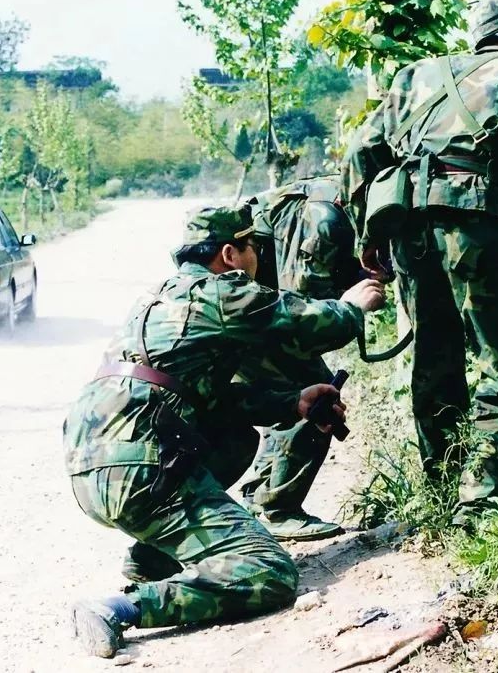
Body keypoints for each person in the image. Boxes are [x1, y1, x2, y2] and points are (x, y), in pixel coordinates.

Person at [62, 204, 385, 657]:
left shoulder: (160, 298)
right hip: (141, 469)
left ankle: (154, 558)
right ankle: (122, 607)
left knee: (235, 434)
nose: (258, 259)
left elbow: (208, 401)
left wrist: (292, 403)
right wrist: (352, 306)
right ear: (231, 253)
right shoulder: (223, 293)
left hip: (95, 466)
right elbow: (314, 325)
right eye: (254, 247)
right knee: (269, 573)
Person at [340, 0, 498, 525]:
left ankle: (440, 481)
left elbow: (362, 152)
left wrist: (369, 234)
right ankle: (482, 501)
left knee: (435, 354)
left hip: (408, 230)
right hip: (476, 227)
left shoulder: (414, 75)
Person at [236, 176, 362, 541]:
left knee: (288, 390)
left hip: (243, 308)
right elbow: (305, 316)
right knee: (316, 394)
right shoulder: (324, 218)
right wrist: (354, 303)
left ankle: (260, 498)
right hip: (249, 312)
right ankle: (279, 509)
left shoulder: (327, 198)